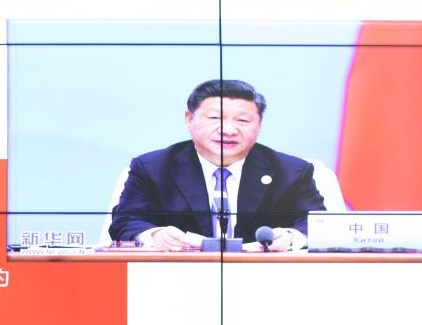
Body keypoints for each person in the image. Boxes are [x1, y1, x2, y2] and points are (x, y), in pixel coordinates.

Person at [108, 79, 326, 251]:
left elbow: (318, 223)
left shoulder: (291, 171)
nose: (228, 130)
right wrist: (155, 235)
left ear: (259, 125)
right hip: (177, 276)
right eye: (215, 118)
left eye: (242, 120)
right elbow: (125, 221)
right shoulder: (153, 168)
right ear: (189, 120)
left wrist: (291, 237)